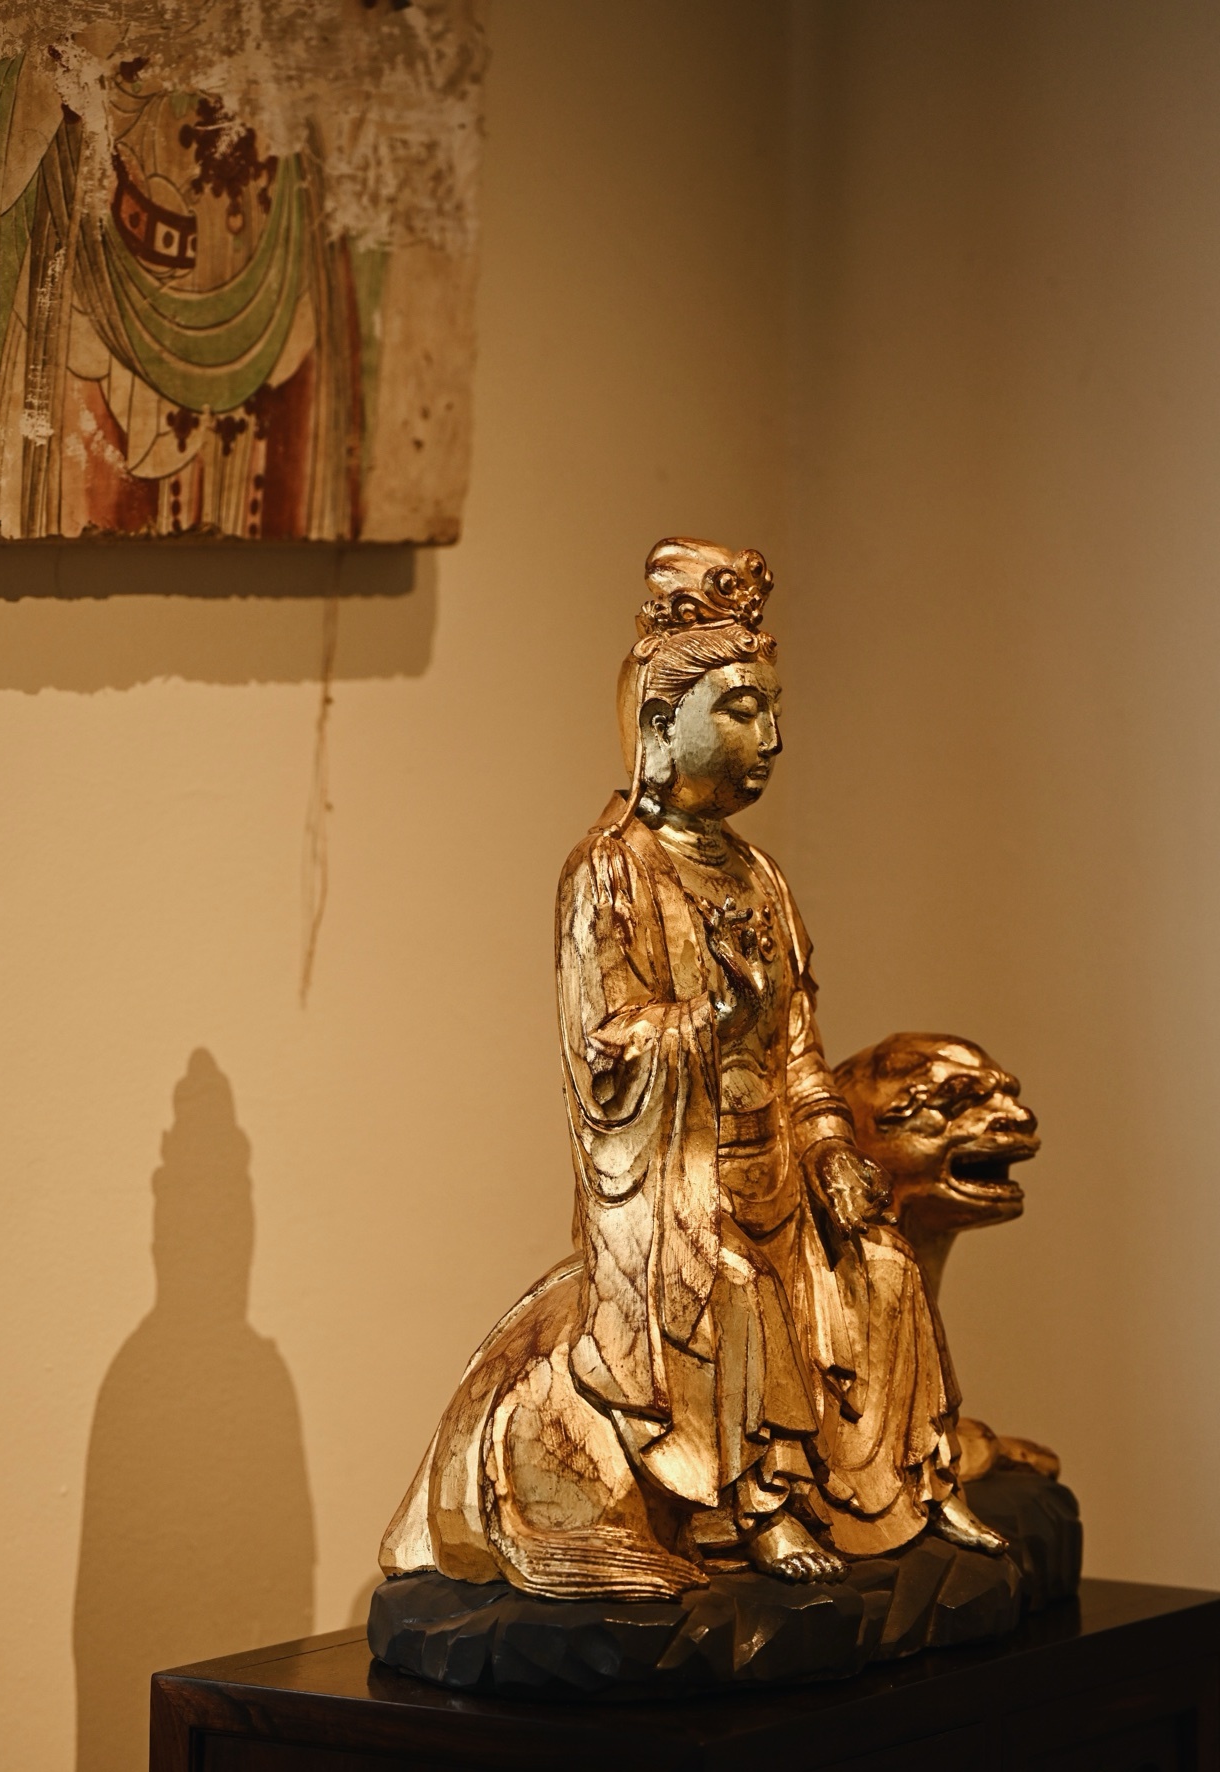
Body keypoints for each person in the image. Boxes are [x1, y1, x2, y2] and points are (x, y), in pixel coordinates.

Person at [382, 539, 1004, 1597]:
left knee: (887, 1267)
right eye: (743, 712)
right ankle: (756, 1507)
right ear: (661, 725)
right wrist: (717, 1018)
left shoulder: (761, 876)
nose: (772, 741)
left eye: (773, 712)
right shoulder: (610, 874)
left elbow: (799, 1047)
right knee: (736, 1286)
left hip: (779, 1170)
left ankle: (917, 1483)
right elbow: (606, 1054)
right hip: (673, 1187)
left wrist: (832, 1151)